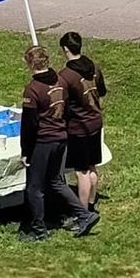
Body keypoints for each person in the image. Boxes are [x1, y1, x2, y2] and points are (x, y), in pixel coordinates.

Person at [20, 45, 96, 239]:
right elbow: (68, 109)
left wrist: (26, 151)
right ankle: (84, 214)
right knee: (56, 181)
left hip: (44, 141)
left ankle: (39, 231)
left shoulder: (33, 90)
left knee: (34, 188)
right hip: (61, 137)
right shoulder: (61, 81)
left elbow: (29, 125)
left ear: (29, 63)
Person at [59, 31, 107, 210]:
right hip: (95, 121)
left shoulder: (65, 75)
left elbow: (61, 102)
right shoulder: (94, 66)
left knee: (81, 171)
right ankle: (92, 203)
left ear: (65, 49)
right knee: (92, 166)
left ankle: (82, 211)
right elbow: (101, 91)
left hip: (78, 127)